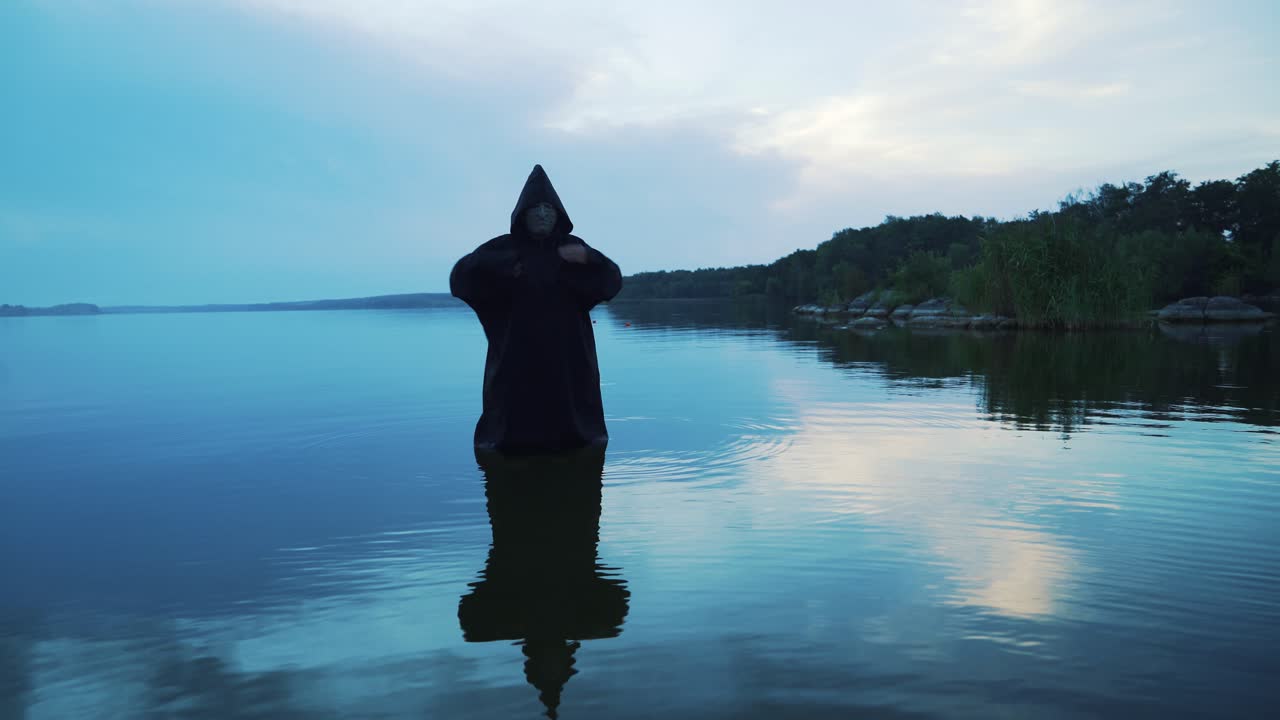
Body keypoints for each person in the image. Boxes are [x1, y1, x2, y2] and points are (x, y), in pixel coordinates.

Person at [450, 164, 623, 454]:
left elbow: (612, 281)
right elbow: (461, 278)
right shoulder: (501, 249)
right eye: (535, 208)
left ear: (559, 214)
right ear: (522, 214)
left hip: (569, 363)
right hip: (515, 361)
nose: (543, 214)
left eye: (548, 208)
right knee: (509, 438)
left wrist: (590, 258)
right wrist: (502, 266)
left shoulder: (572, 249)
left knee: (577, 441)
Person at [458, 447, 630, 719]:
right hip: (567, 506)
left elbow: (469, 621)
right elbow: (619, 602)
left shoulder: (501, 617)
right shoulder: (592, 615)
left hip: (518, 499)